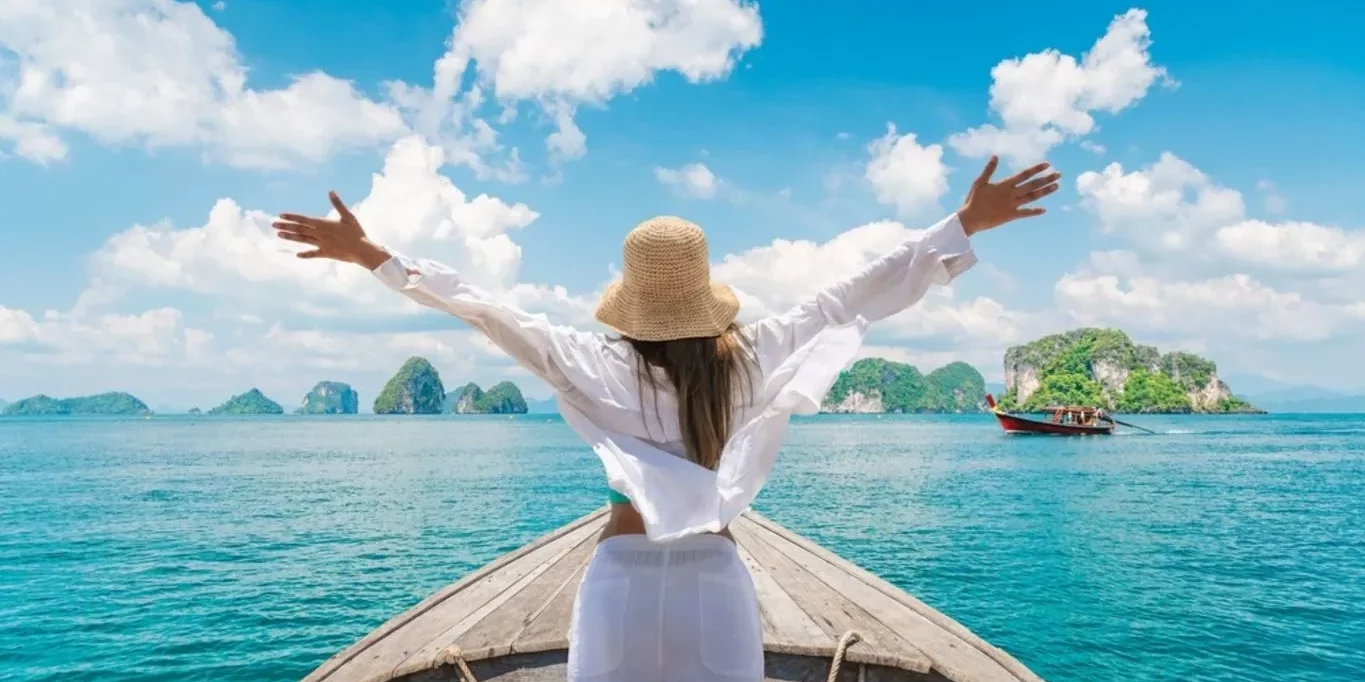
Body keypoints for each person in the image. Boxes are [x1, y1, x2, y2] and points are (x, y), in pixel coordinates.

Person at [272, 155, 1060, 682]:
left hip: (617, 576)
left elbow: (484, 310)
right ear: (703, 290)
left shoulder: (593, 361)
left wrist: (374, 254)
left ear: (631, 296)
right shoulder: (747, 359)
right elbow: (852, 295)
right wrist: (959, 224)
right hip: (715, 577)